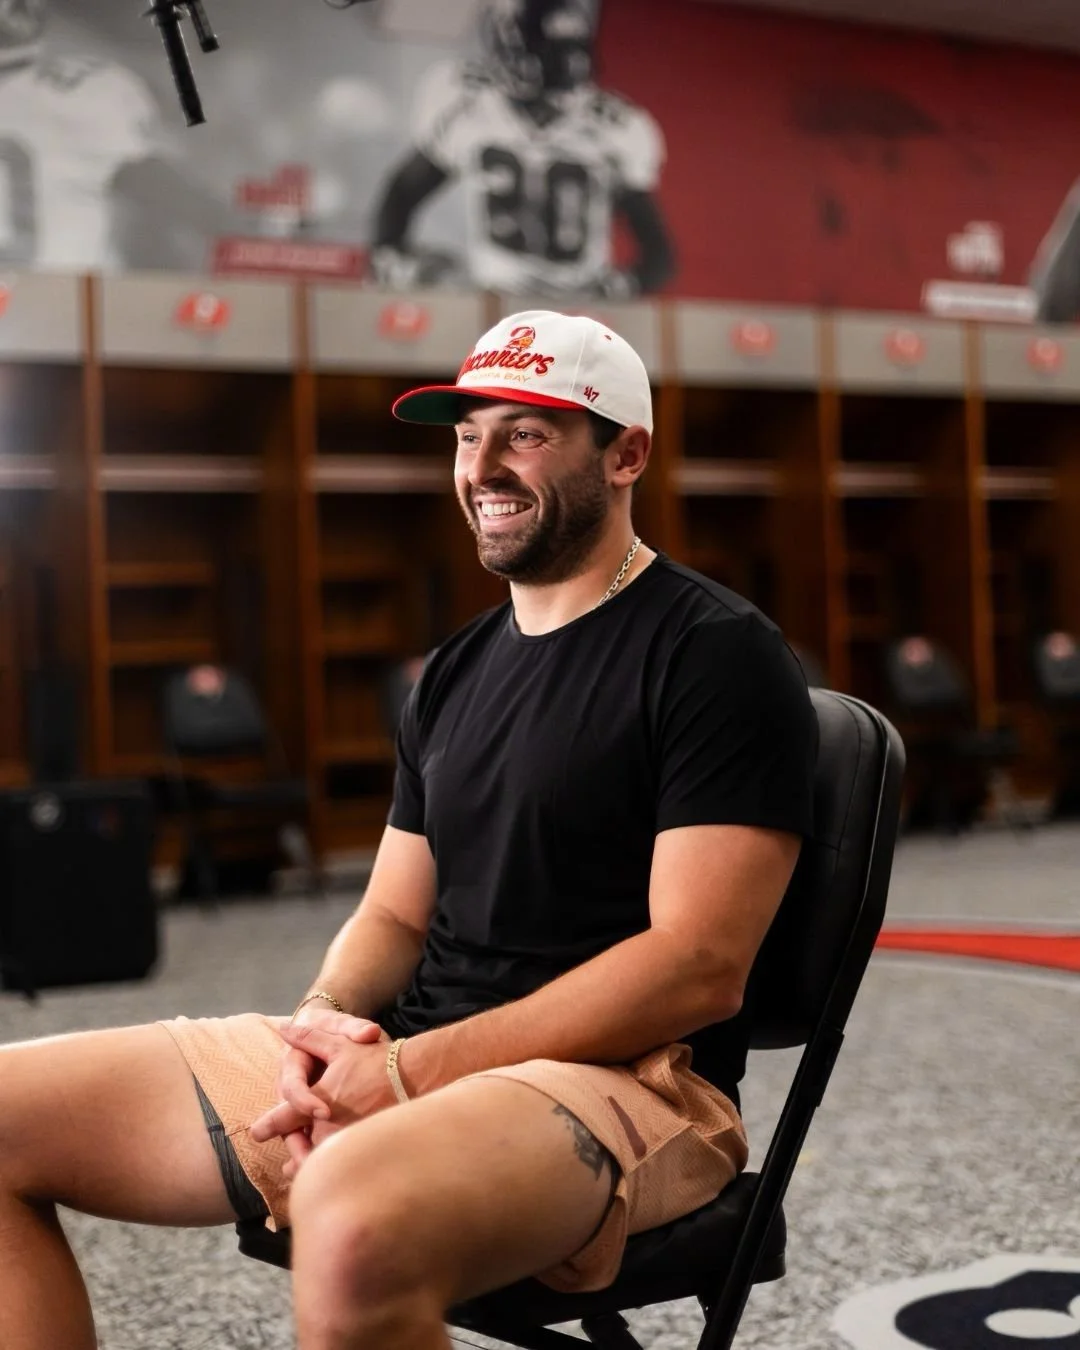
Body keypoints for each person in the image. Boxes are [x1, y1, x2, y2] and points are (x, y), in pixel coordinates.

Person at [0, 309, 817, 1350]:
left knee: (348, 1218)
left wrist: (405, 1077)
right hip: (412, 1050)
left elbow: (697, 966)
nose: (483, 467)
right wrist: (321, 1027)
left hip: (631, 1081)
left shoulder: (715, 652)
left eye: (526, 434)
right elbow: (394, 913)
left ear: (626, 455)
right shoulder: (457, 671)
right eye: (469, 436)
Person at [369, 0, 676, 299]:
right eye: (555, 56)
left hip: (577, 304)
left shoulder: (614, 128)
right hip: (492, 299)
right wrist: (393, 257)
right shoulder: (470, 106)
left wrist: (617, 288)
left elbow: (658, 255)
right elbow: (404, 192)